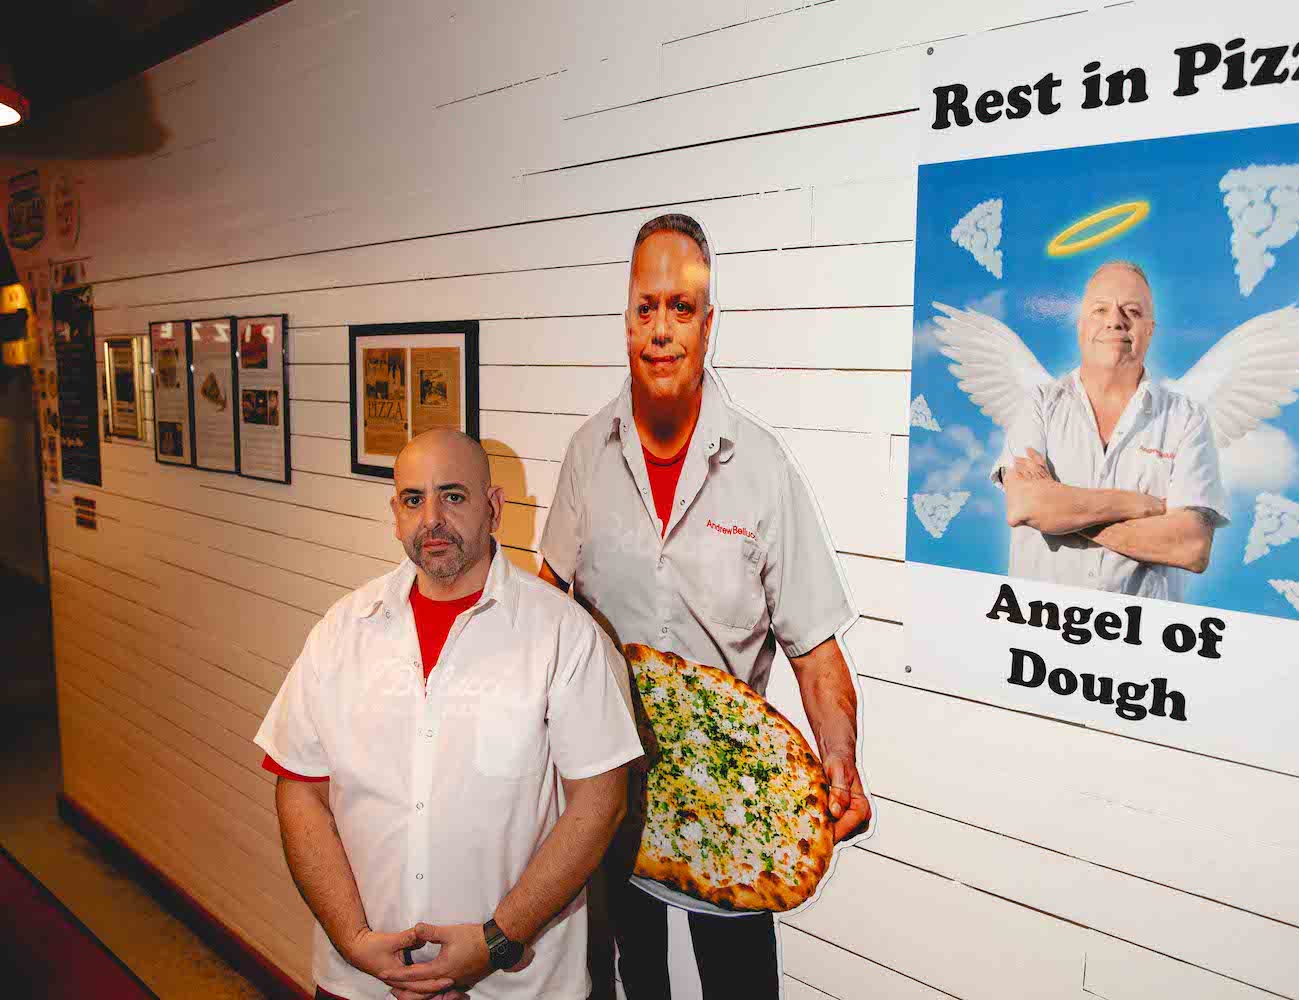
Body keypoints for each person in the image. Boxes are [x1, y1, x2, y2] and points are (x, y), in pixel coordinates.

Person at [538, 214, 870, 999]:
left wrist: (840, 756)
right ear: (625, 317)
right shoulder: (587, 455)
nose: (661, 330)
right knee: (631, 978)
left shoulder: (760, 468)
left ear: (708, 324)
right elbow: (548, 612)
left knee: (740, 987)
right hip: (611, 791)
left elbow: (815, 648)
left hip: (734, 793)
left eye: (681, 309)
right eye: (645, 307)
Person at [255, 428, 642, 1000]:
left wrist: (497, 940)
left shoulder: (563, 636)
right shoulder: (342, 631)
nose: (431, 518)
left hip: (515, 987)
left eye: (453, 496)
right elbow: (300, 792)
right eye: (414, 499)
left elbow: (600, 804)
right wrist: (353, 939)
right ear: (395, 514)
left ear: (494, 507)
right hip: (361, 984)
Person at [997, 261, 1229, 600]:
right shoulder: (1039, 405)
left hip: (1140, 641)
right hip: (1040, 633)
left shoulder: (1186, 418)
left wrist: (1060, 512)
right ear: (1080, 326)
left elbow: (1190, 546)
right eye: (1100, 309)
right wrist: (1138, 505)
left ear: (1150, 330)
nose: (1115, 320)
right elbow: (1025, 506)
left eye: (1132, 311)